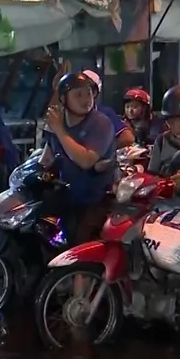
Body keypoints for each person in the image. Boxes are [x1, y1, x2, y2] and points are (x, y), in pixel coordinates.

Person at [41, 72, 118, 245]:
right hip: (68, 197)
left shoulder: (100, 123)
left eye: (89, 93)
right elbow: (46, 158)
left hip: (96, 200)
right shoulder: (59, 122)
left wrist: (59, 130)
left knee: (80, 245)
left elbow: (86, 160)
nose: (86, 100)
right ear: (63, 99)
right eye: (78, 95)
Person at [146, 84, 180, 185]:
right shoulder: (162, 141)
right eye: (169, 121)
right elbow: (152, 176)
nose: (173, 125)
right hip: (167, 198)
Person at [82, 70, 137, 148]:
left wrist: (102, 150)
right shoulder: (65, 113)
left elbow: (128, 138)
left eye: (87, 91)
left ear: (94, 93)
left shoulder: (104, 113)